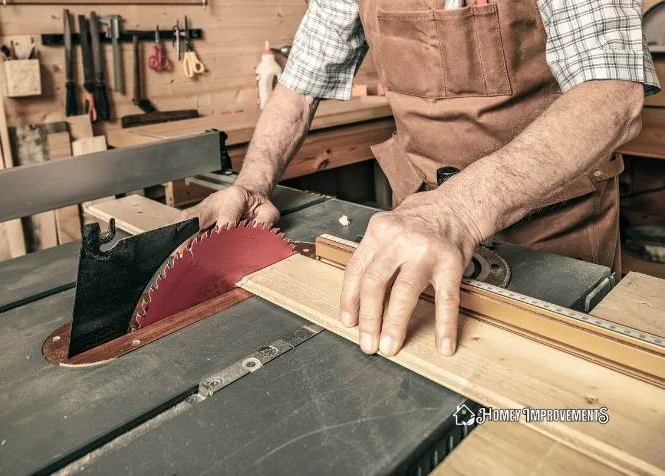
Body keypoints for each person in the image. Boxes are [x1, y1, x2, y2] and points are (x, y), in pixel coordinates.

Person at [181, 0, 659, 358]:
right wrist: (252, 183)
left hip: (554, 223)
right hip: (417, 225)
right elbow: (298, 86)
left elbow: (614, 94)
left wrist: (459, 209)